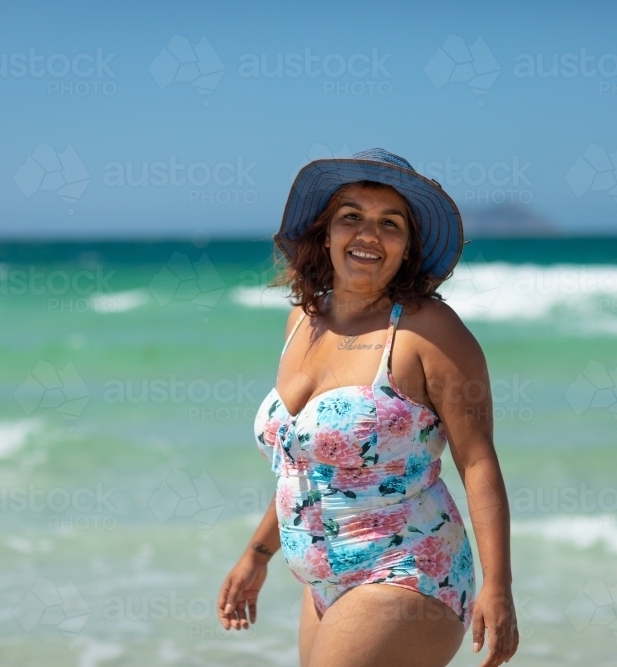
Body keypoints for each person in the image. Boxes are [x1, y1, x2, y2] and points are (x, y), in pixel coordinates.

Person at [217, 148, 518, 667]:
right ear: (325, 233)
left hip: (407, 569)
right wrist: (256, 554)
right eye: (351, 216)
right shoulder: (303, 321)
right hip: (321, 585)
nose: (368, 235)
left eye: (390, 223)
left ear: (408, 246)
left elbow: (477, 460)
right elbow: (303, 463)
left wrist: (499, 585)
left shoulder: (428, 331)